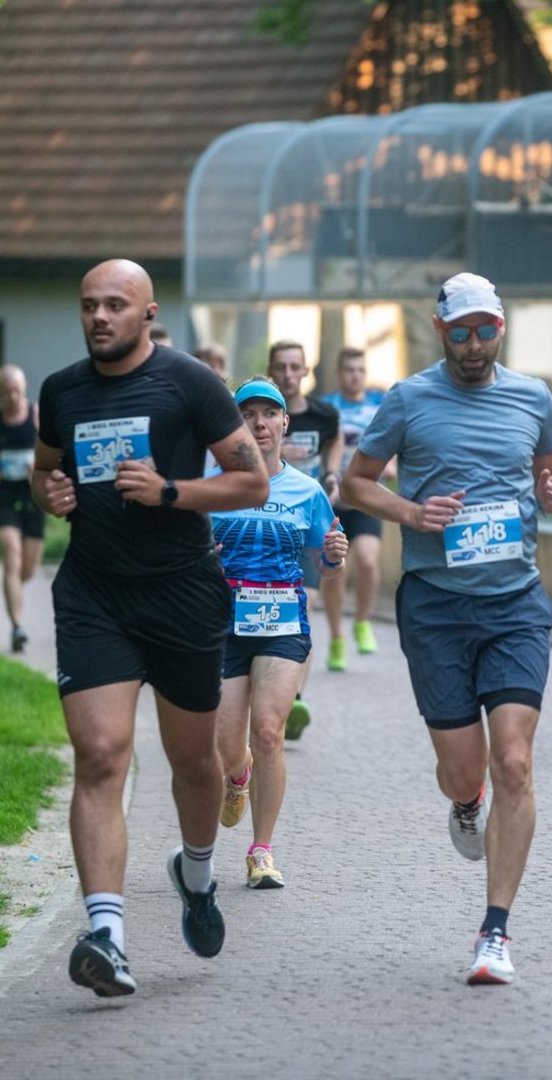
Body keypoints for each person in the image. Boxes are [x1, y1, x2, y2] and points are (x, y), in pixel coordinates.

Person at [31, 258, 269, 999]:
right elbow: (42, 473)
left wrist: (171, 491)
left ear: (147, 313)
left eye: (114, 305)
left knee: (193, 762)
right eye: (88, 306)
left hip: (182, 593)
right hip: (95, 593)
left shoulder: (190, 382)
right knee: (100, 755)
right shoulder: (61, 391)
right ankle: (106, 935)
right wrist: (55, 492)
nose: (98, 317)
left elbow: (252, 480)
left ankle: (195, 875)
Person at [342, 271, 552, 985]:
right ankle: (465, 802)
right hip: (437, 608)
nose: (475, 345)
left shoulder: (534, 397)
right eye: (461, 332)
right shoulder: (408, 399)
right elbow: (356, 482)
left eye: (487, 331)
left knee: (515, 762)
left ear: (500, 329)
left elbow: (551, 475)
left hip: (514, 606)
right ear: (441, 331)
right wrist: (412, 514)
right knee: (465, 771)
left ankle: (494, 933)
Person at [210, 376, 348, 888]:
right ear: (236, 425)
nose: (260, 423)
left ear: (285, 424)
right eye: (248, 415)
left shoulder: (307, 491)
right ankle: (237, 775)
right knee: (227, 747)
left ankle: (261, 851)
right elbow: (185, 555)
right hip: (223, 625)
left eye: (270, 414)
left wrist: (334, 558)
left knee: (268, 730)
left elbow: (326, 561)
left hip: (282, 625)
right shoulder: (216, 486)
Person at [267, 340, 342, 737]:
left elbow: (337, 441)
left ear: (305, 372)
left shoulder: (323, 414)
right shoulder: (259, 415)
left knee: (304, 605)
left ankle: (295, 697)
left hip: (307, 523)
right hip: (265, 525)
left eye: (296, 366)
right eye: (281, 366)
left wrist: (331, 474)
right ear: (271, 369)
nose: (289, 374)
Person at [319, 347, 394, 664]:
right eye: (349, 369)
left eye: (360, 369)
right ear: (339, 373)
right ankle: (336, 636)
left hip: (365, 496)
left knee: (365, 560)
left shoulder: (379, 403)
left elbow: (396, 438)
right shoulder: (327, 407)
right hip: (334, 499)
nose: (355, 375)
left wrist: (393, 465)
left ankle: (362, 620)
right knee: (336, 570)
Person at [0, 363, 46, 653]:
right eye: (7, 392)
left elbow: (54, 452)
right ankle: (17, 627)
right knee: (11, 557)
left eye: (17, 391)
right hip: (4, 495)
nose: (13, 397)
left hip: (33, 496)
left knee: (27, 569)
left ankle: (12, 588)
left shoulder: (38, 415)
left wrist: (39, 467)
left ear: (25, 389)